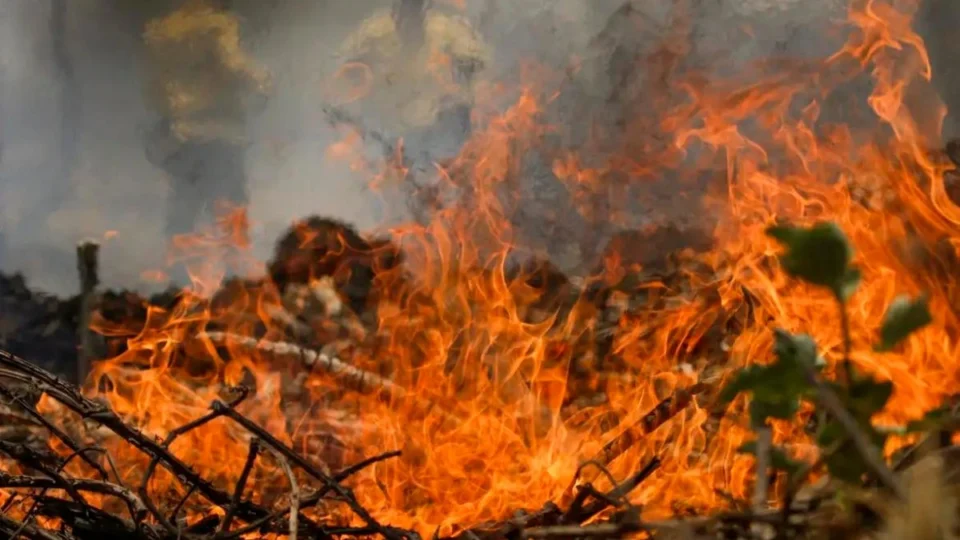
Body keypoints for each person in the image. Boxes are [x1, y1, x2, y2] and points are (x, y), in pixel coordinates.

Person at [141, 0, 270, 241]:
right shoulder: (214, 27)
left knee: (184, 201)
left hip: (181, 130)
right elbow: (233, 66)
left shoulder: (163, 31)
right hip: (220, 131)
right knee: (229, 205)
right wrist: (262, 84)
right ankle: (233, 269)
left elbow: (156, 86)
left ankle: (177, 263)